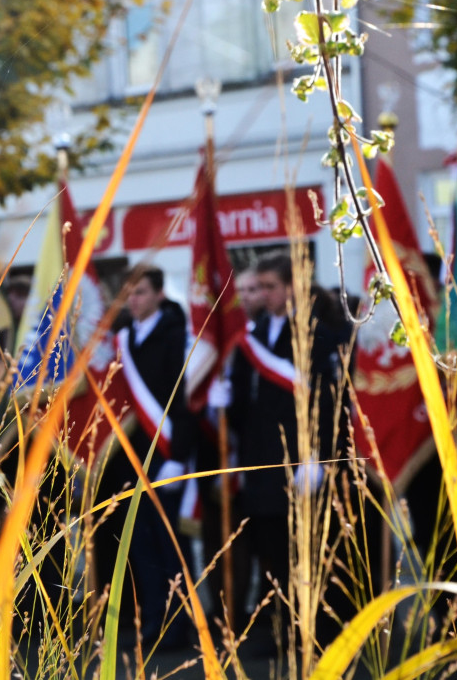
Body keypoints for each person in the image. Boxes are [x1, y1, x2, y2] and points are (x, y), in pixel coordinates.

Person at [239, 253, 349, 651]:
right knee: (272, 549)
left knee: (308, 547)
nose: (265, 295)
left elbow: (327, 396)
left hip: (303, 456)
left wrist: (318, 454)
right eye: (261, 287)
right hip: (263, 458)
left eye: (271, 287)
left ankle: (319, 629)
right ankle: (284, 628)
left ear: (293, 286)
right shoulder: (257, 331)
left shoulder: (317, 328)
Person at [94, 265, 198, 652]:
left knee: (170, 546)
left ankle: (179, 626)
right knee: (138, 546)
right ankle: (152, 621)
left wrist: (180, 455)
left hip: (167, 454)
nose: (132, 301)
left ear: (158, 294)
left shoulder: (176, 335)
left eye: (139, 293)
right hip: (129, 457)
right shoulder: (120, 339)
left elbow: (184, 399)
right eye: (128, 294)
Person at [201, 266, 261, 637]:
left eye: (257, 288)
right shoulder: (229, 337)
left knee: (259, 545)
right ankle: (228, 614)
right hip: (215, 458)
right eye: (246, 290)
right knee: (218, 543)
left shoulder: (261, 338)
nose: (250, 296)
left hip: (255, 458)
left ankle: (257, 616)